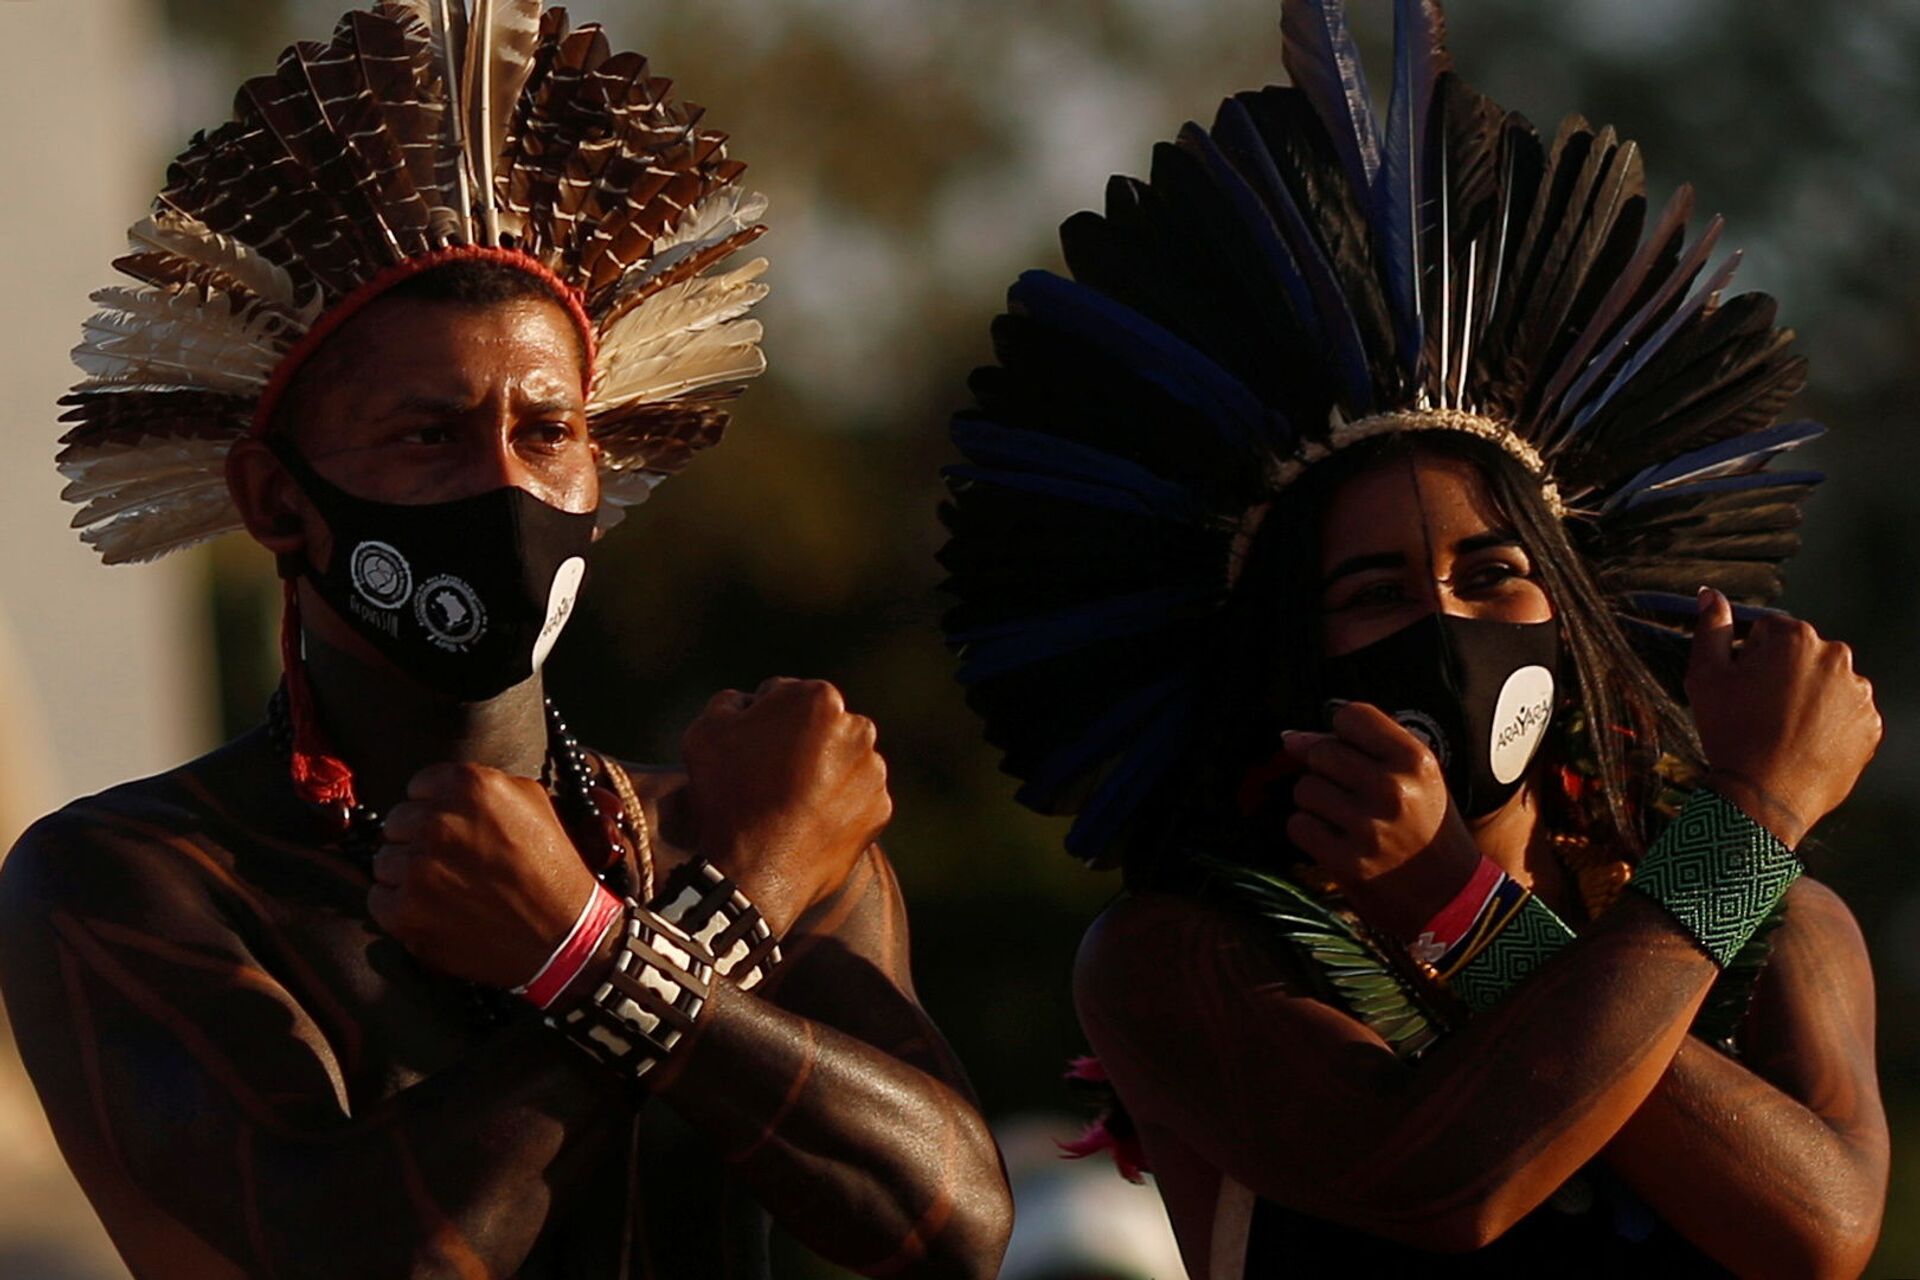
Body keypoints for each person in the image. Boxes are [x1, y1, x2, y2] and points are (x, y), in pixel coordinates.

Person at [0, 5, 1011, 1277]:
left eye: (546, 433)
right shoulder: (138, 877)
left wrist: (603, 939)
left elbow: (952, 1224)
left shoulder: (729, 819)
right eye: (428, 436)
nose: (505, 490)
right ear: (276, 501)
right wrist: (702, 920)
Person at [939, 1, 1886, 1275]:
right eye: (1377, 591)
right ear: (1291, 646)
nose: (1444, 625)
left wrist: (1476, 898)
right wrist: (1725, 827)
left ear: (1576, 609)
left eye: (1493, 574)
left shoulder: (1784, 926)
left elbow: (1819, 1230)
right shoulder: (1187, 954)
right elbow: (1447, 1183)